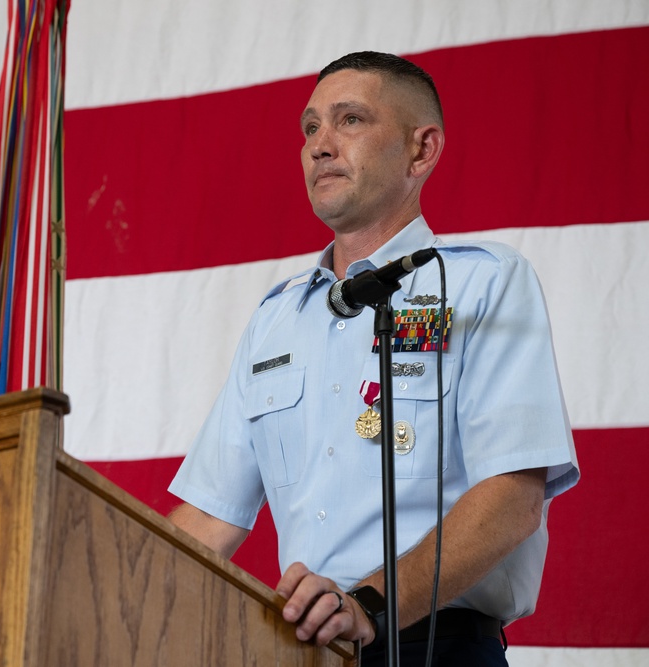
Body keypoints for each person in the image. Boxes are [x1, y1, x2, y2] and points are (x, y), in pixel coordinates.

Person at [167, 51, 579, 666]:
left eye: (350, 120)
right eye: (309, 128)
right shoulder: (276, 318)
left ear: (421, 151)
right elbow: (207, 520)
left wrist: (371, 604)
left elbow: (513, 497)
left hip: (435, 647)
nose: (319, 146)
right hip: (305, 651)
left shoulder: (481, 284)